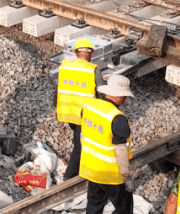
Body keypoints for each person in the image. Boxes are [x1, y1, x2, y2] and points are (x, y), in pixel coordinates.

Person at [80, 74, 134, 214]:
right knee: (124, 209)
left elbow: (83, 135)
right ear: (119, 96)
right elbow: (121, 152)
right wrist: (127, 176)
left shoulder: (89, 106)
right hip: (111, 175)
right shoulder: (118, 118)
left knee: (94, 205)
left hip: (91, 169)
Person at [56, 37, 106, 179]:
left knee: (77, 136)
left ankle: (78, 164)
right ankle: (69, 176)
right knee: (80, 146)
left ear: (76, 52)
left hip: (68, 111)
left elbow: (59, 87)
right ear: (90, 53)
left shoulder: (65, 66)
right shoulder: (93, 70)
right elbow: (101, 92)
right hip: (84, 114)